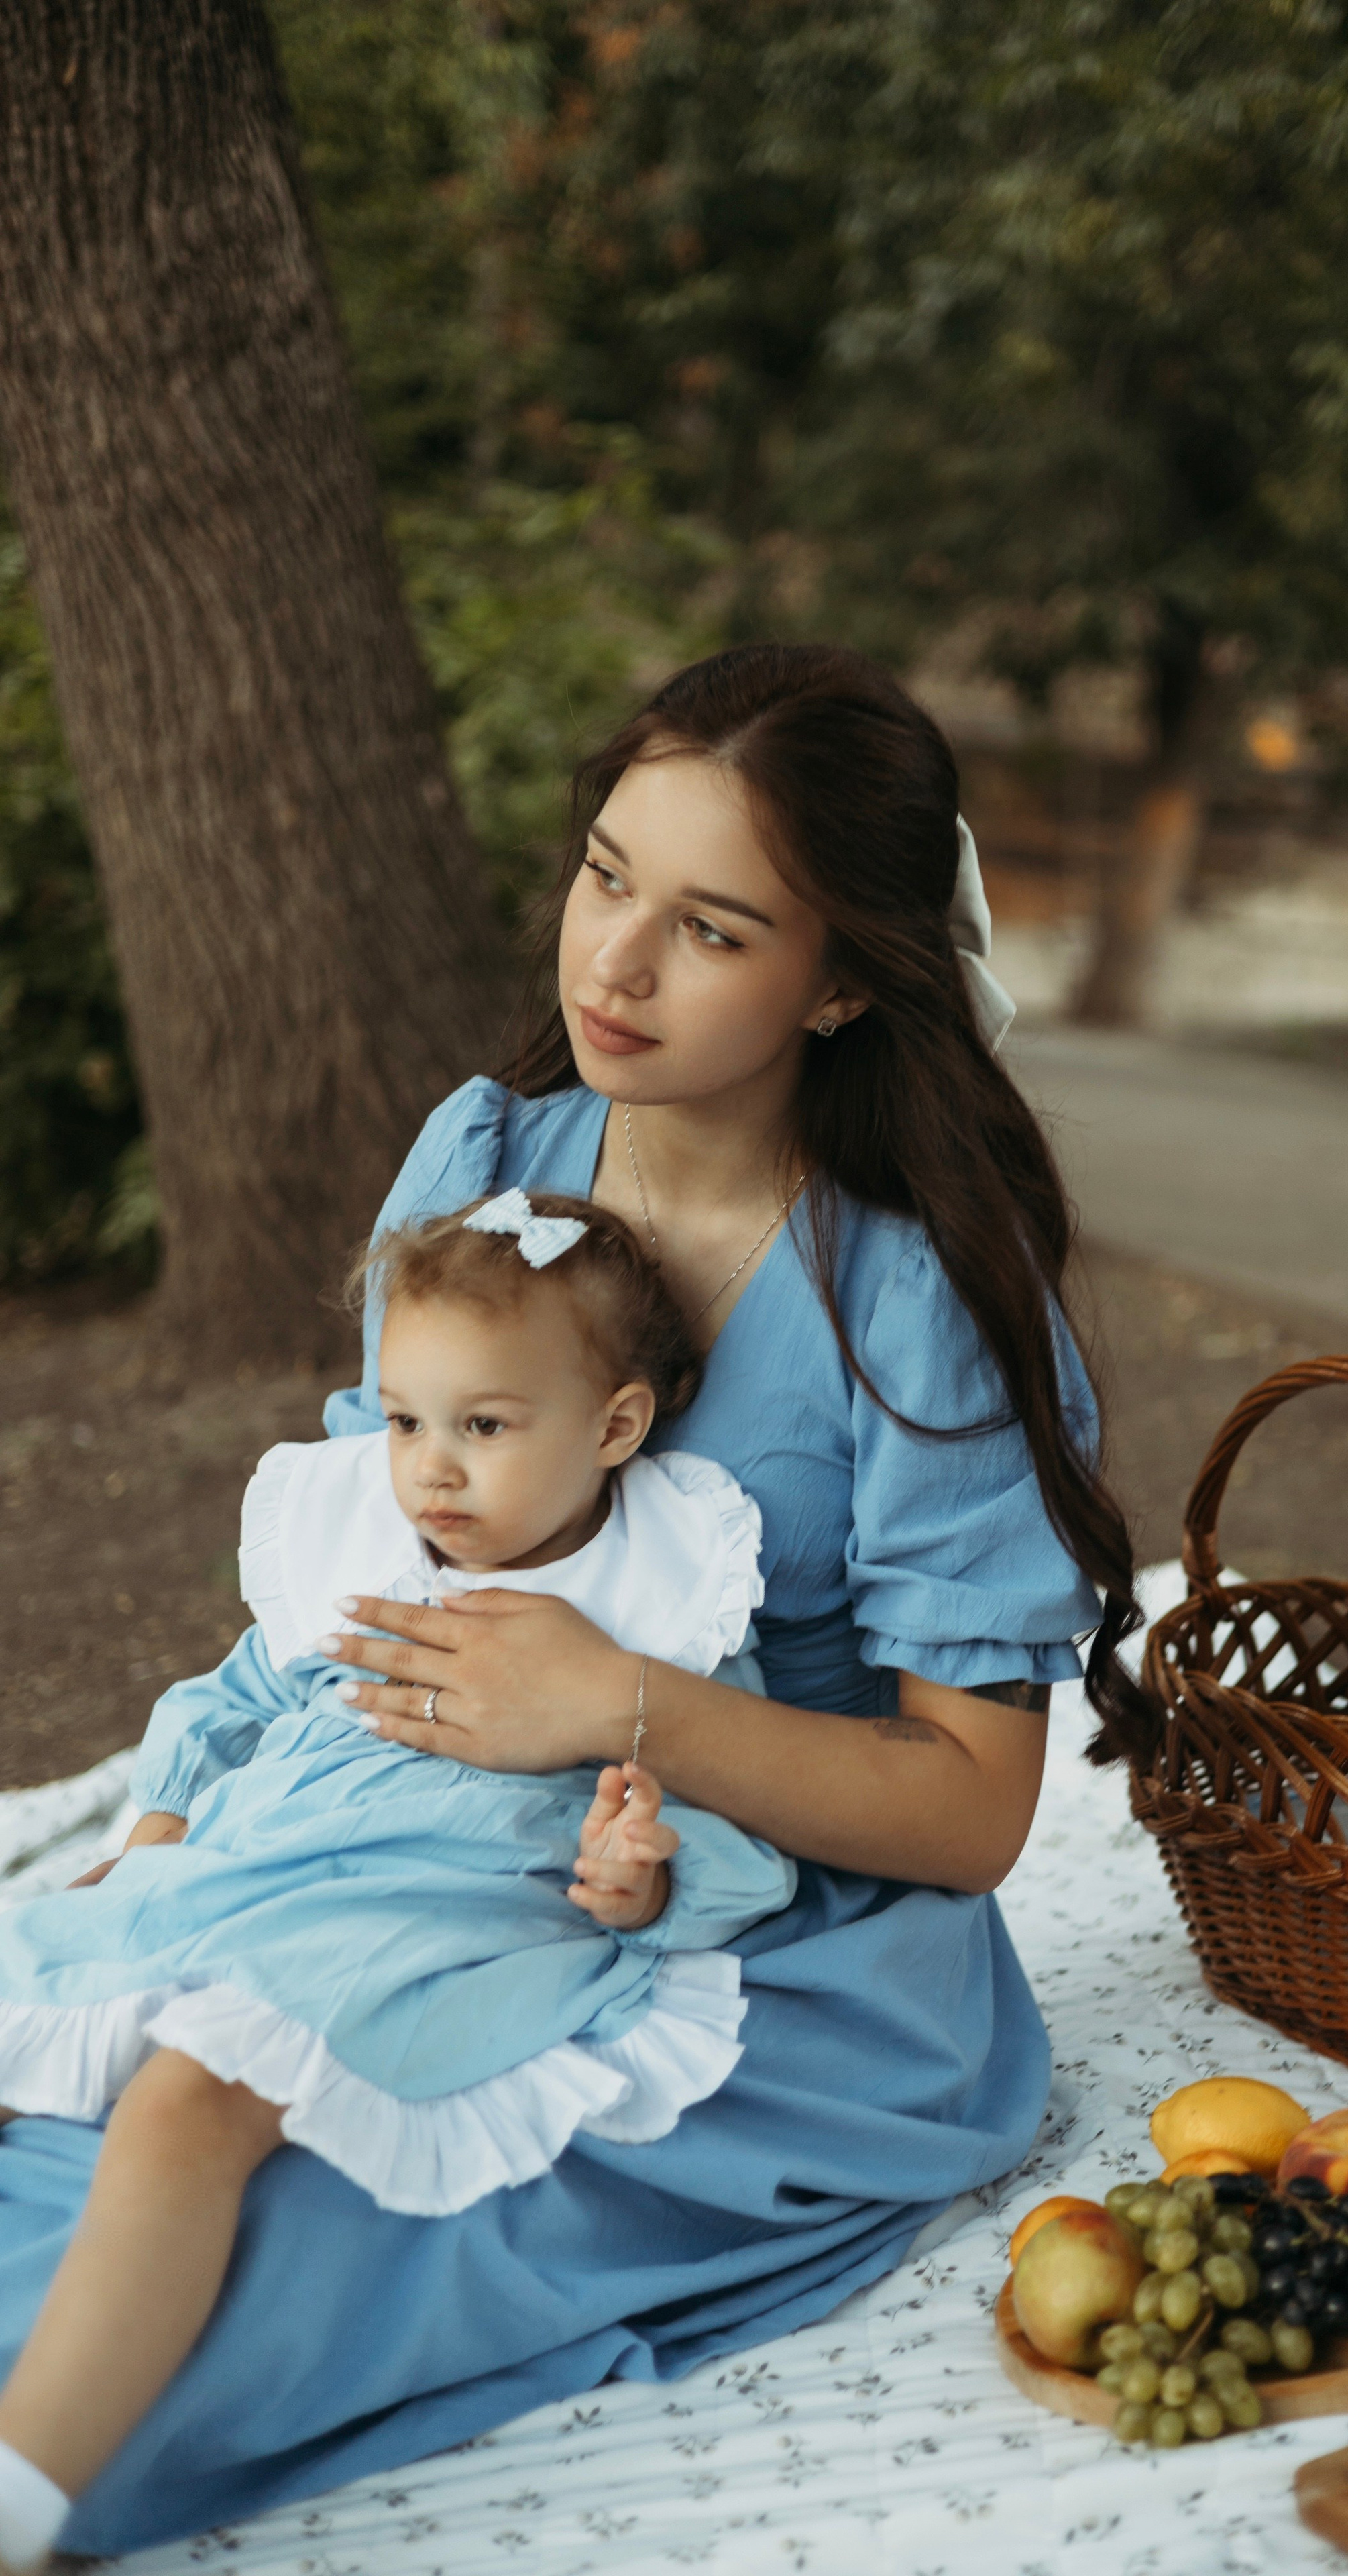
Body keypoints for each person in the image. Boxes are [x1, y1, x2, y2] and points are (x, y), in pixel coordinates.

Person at [0, 641, 1148, 2558]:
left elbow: (973, 1811)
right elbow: (377, 1551)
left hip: (755, 1942)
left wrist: (623, 1706)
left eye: (708, 928)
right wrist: (187, 1810)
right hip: (393, 1844)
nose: (612, 967)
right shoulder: (490, 1162)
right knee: (95, 2080)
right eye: (606, 876)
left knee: (212, 2291)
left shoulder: (922, 1298)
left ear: (844, 976)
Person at [0, 1191, 794, 2568]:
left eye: (483, 1427)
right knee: (32, 1994)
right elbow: (231, 1696)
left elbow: (734, 1823)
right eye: (406, 1421)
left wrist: (636, 1872)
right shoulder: (373, 1555)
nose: (429, 1470)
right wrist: (162, 1825)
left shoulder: (665, 1605)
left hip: (411, 1918)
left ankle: (25, 2494)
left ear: (612, 1428)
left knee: (195, 2099)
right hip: (254, 1861)